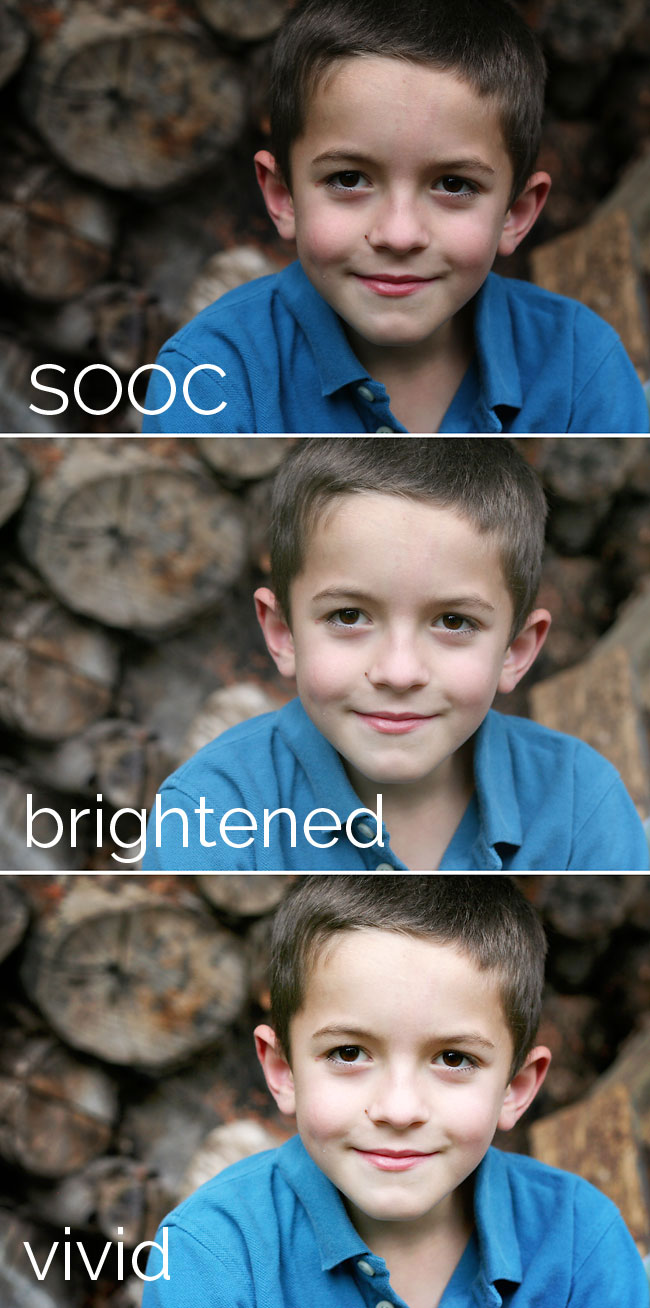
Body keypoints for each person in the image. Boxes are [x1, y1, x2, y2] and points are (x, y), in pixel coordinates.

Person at [141, 0, 648, 435]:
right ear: (283, 197)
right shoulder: (213, 374)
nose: (399, 234)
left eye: (454, 184)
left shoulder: (582, 365)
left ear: (515, 213)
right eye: (348, 179)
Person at [141, 438, 649, 871]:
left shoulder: (581, 800)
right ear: (283, 634)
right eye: (348, 616)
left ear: (515, 651)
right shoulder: (212, 811)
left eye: (454, 621)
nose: (399, 672)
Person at [141, 875, 648, 1308]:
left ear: (515, 1088)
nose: (399, 1109)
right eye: (348, 1053)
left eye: (454, 1058)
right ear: (283, 1070)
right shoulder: (212, 1253)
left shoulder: (581, 1240)